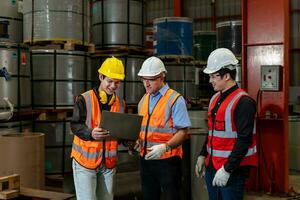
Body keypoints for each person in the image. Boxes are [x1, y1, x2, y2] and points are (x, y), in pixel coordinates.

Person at [195, 48, 258, 200]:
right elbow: (212, 132)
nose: (210, 80)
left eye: (213, 76)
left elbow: (244, 140)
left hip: (232, 172)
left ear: (227, 76)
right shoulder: (214, 99)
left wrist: (227, 169)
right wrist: (203, 154)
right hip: (212, 167)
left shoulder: (244, 102)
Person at [136, 56, 191, 200]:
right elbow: (142, 128)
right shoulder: (144, 99)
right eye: (143, 79)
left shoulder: (175, 100)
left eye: (151, 79)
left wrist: (165, 147)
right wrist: (137, 142)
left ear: (162, 77)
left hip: (168, 162)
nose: (146, 84)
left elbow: (183, 132)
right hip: (146, 160)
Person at [70, 56, 125, 200]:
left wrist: (131, 142)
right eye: (110, 81)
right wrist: (90, 133)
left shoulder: (120, 103)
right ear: (101, 77)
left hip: (108, 165)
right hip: (85, 163)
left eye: (117, 82)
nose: (113, 86)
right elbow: (75, 125)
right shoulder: (84, 99)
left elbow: (120, 131)